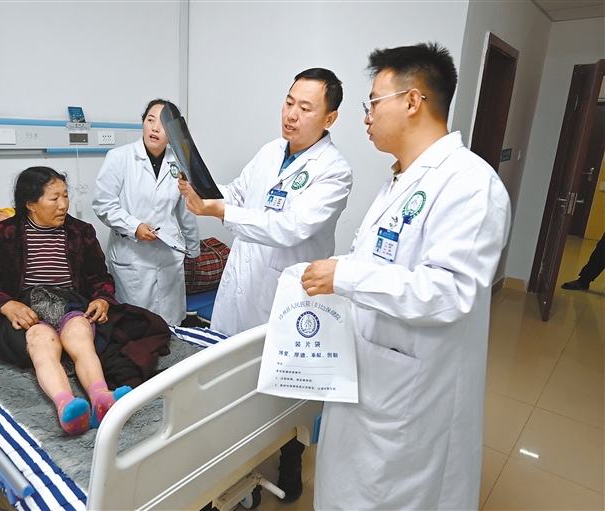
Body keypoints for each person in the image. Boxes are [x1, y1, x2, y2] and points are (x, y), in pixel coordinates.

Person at [301, 43, 511, 510]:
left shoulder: (470, 185)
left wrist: (346, 276)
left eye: (374, 103)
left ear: (412, 101)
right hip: (371, 376)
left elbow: (449, 291)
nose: (367, 117)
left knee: (392, 494)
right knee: (347, 487)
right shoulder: (402, 178)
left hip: (411, 398)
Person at [179, 68, 352, 501]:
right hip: (241, 285)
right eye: (289, 102)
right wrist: (204, 191)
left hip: (285, 298)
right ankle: (235, 465)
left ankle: (290, 458)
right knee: (234, 383)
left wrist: (220, 211)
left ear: (329, 118)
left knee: (287, 389)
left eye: (305, 108)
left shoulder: (334, 171)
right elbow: (238, 194)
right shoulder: (271, 151)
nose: (291, 114)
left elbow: (291, 228)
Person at [0, 166, 130, 436]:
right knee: (41, 339)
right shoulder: (3, 234)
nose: (63, 205)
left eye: (65, 196)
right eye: (54, 198)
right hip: (25, 307)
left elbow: (99, 276)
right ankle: (66, 405)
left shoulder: (81, 232)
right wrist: (6, 305)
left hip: (70, 303)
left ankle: (101, 398)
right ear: (30, 204)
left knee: (79, 332)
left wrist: (102, 298)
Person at [92, 99, 200, 325]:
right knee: (135, 325)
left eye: (164, 124)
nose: (155, 128)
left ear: (174, 132)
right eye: (150, 120)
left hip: (169, 256)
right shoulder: (119, 157)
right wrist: (135, 227)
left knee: (171, 325)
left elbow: (186, 209)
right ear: (143, 123)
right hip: (133, 257)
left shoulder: (180, 162)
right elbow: (103, 204)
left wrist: (192, 250)